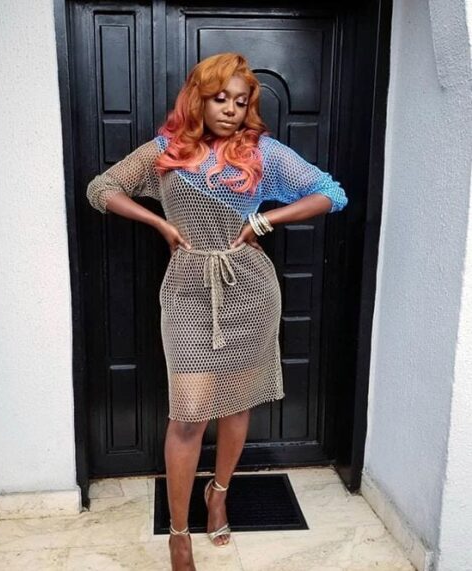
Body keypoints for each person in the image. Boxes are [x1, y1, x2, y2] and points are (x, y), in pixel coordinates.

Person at [86, 52, 348, 571]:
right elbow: (102, 189)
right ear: (198, 99)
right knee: (188, 415)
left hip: (249, 291)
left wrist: (265, 222)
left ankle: (219, 493)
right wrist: (159, 224)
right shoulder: (164, 151)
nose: (231, 109)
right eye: (219, 98)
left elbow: (331, 193)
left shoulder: (261, 152)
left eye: (241, 101)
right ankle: (178, 533)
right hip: (187, 291)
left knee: (236, 405)